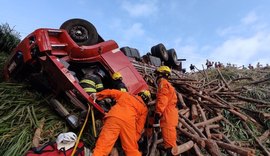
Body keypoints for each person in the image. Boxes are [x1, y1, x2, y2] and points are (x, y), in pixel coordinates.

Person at [91, 89, 151, 156]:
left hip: (114, 117)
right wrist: (133, 139)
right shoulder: (144, 108)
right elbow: (139, 127)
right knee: (131, 150)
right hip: (128, 123)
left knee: (103, 145)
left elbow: (111, 92)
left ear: (139, 94)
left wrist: (97, 94)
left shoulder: (127, 95)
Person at [153, 66, 178, 156]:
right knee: (170, 143)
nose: (156, 77)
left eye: (157, 75)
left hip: (167, 117)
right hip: (170, 115)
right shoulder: (168, 85)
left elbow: (162, 100)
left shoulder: (163, 83)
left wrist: (157, 115)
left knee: (170, 147)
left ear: (161, 74)